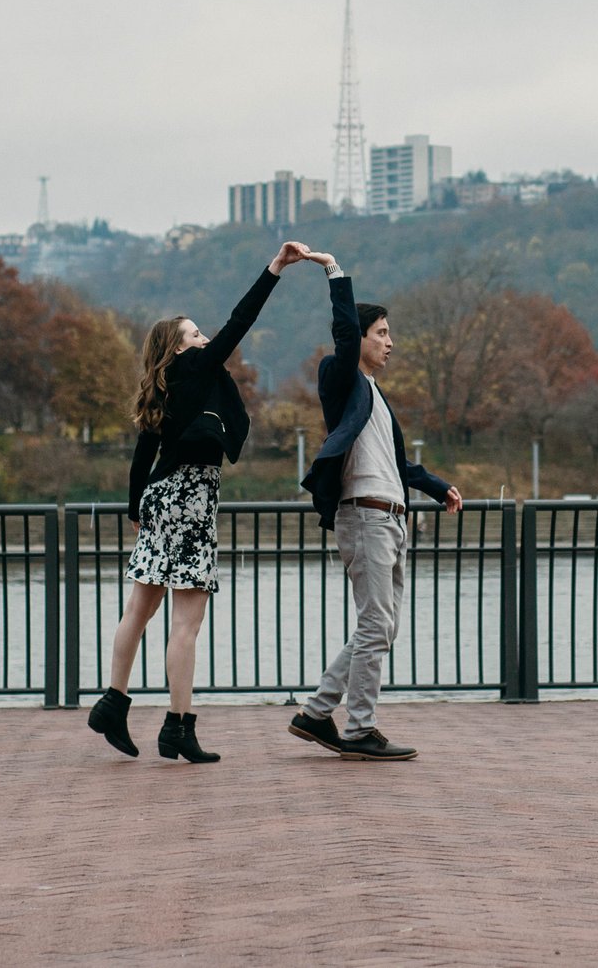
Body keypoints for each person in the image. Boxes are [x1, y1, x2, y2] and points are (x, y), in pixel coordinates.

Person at [89, 241, 313, 762]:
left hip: (160, 498)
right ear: (179, 348)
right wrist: (274, 268)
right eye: (195, 333)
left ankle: (112, 703)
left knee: (139, 609)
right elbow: (242, 320)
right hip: (191, 499)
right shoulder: (194, 368)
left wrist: (135, 509)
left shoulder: (161, 385)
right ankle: (177, 726)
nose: (206, 337)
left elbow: (143, 453)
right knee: (185, 623)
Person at [287, 252, 460, 761]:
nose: (391, 342)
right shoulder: (341, 380)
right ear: (360, 338)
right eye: (382, 332)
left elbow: (399, 463)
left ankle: (317, 714)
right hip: (364, 515)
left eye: (389, 333)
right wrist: (334, 272)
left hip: (389, 517)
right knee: (374, 625)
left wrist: (436, 486)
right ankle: (359, 729)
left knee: (379, 627)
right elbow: (341, 336)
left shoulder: (375, 397)